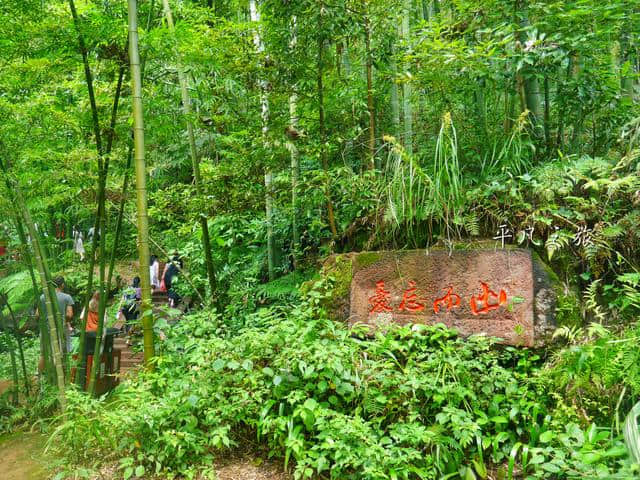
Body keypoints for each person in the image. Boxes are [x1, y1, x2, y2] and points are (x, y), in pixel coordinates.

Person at [36, 276, 75, 367]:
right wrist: (64, 320)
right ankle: (57, 378)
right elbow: (69, 315)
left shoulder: (43, 297)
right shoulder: (67, 297)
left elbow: (37, 315)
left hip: (45, 329)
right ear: (62, 285)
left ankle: (39, 376)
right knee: (58, 354)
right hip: (59, 329)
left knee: (43, 354)